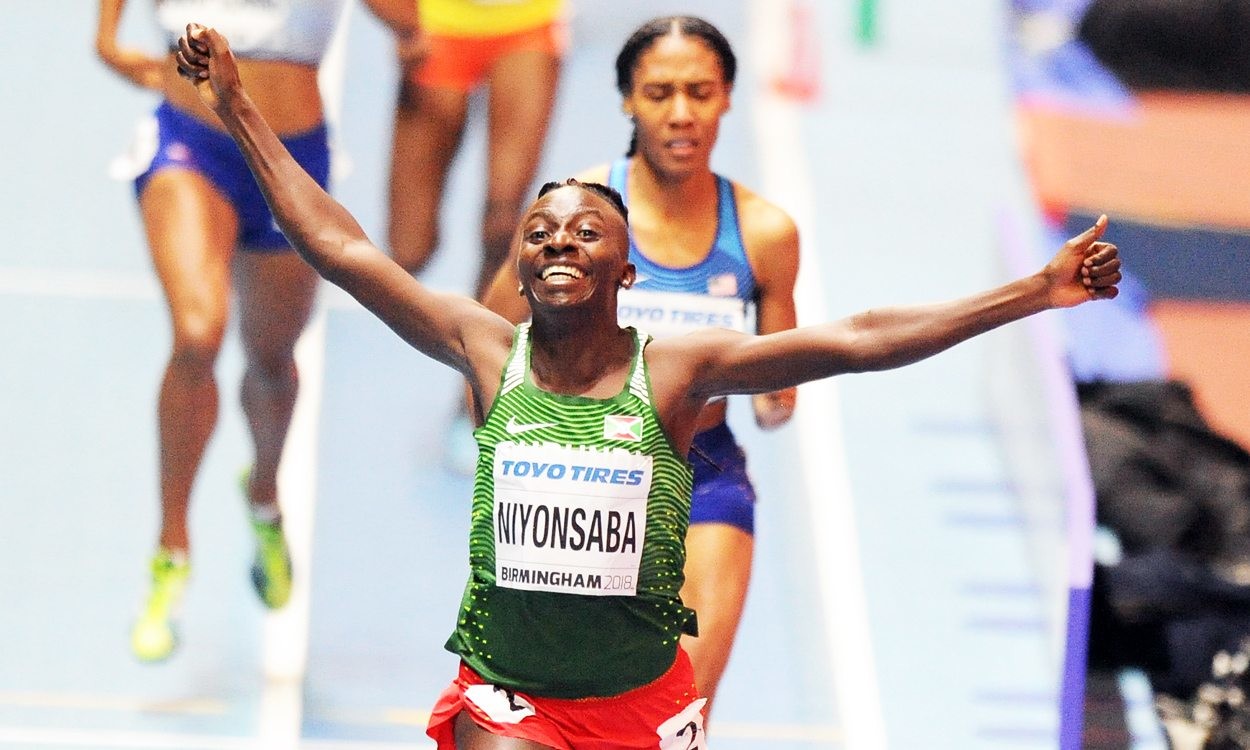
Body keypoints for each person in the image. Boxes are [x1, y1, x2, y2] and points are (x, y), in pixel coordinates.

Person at [174, 21, 1122, 747]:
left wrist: (1034, 292)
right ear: (518, 267)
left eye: (586, 232)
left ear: (626, 273)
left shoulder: (677, 371)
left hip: (641, 706)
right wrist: (237, 105)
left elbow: (861, 339)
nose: (559, 241)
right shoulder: (486, 349)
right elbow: (339, 247)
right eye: (540, 233)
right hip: (508, 696)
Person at [481, 16, 797, 719]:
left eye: (700, 92)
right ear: (628, 99)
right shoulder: (576, 215)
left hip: (704, 478)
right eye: (659, 93)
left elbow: (779, 400)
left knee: (681, 712)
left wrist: (770, 393)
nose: (681, 113)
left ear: (727, 97)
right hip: (579, 483)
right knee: (569, 707)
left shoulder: (764, 233)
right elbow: (489, 332)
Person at [96, 0, 417, 662]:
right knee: (197, 334)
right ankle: (171, 548)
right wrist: (106, 38)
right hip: (189, 142)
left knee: (272, 358)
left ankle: (264, 494)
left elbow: (406, 18)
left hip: (289, 156)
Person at [386, 0, 567, 297]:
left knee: (503, 223)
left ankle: (483, 323)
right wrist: (402, 23)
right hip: (436, 25)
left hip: (528, 23)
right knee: (410, 249)